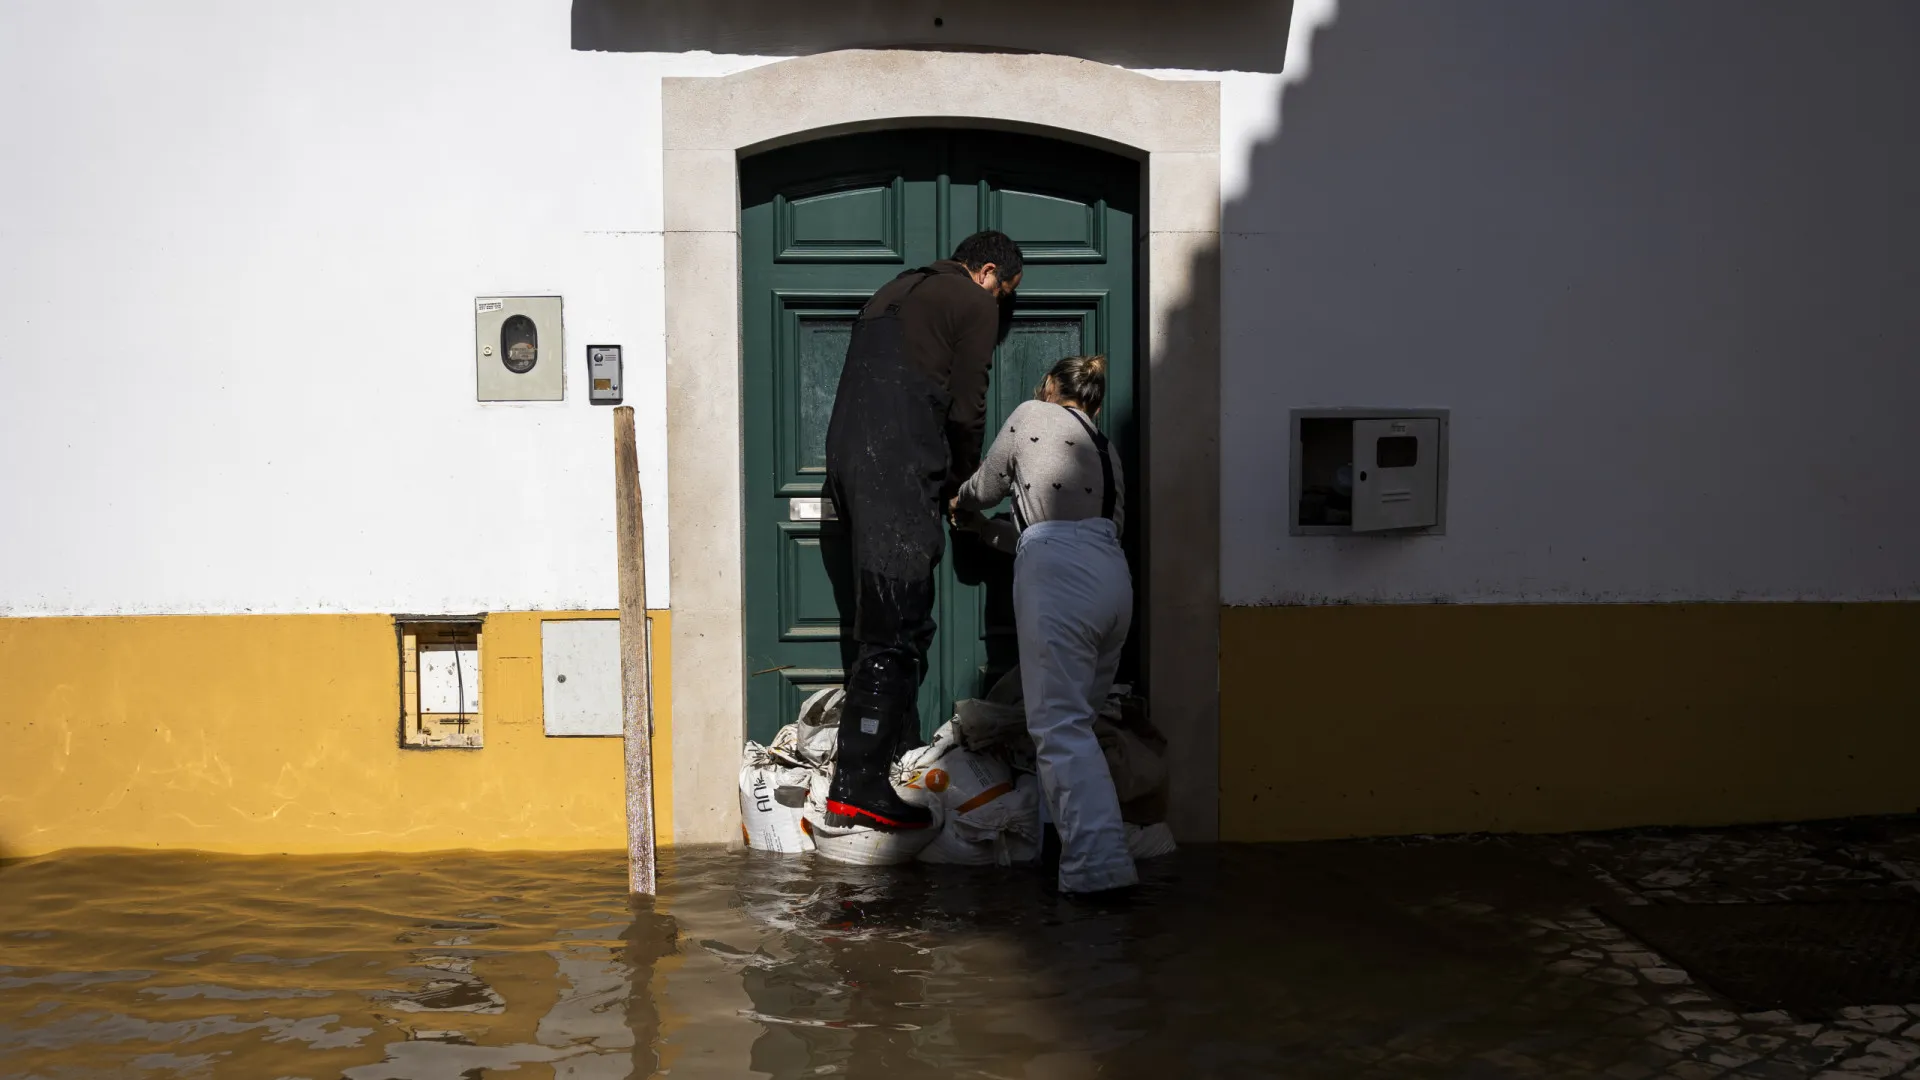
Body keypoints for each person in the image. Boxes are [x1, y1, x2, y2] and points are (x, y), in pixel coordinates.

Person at [821, 230, 1025, 831]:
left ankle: (894, 760)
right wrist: (964, 487)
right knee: (893, 628)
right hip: (899, 466)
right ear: (988, 272)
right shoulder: (973, 301)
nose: (1000, 304)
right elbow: (967, 407)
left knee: (898, 621)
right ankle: (856, 787)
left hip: (851, 467)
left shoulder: (892, 289)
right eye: (1006, 292)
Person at [950, 355, 1137, 895]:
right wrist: (988, 533)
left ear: (1052, 385)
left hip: (1060, 581)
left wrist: (961, 503)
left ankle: (1100, 871)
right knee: (1079, 727)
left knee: (1060, 730)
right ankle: (1058, 849)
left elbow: (987, 487)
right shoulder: (1106, 449)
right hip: (1111, 579)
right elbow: (1057, 529)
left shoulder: (1032, 415)